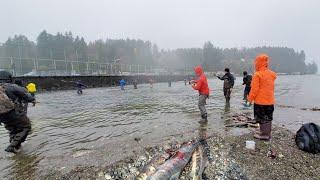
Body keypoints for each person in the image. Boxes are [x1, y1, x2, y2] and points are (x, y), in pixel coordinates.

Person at [0, 71, 36, 153]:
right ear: (9, 78)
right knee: (26, 126)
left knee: (12, 129)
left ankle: (17, 148)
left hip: (1, 116)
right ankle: (12, 146)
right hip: (12, 112)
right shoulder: (11, 86)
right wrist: (32, 98)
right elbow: (26, 96)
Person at [248, 54, 277, 140]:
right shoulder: (271, 74)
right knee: (268, 117)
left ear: (258, 63)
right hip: (270, 101)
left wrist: (249, 100)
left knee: (261, 118)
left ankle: (264, 135)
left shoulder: (257, 75)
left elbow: (254, 89)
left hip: (260, 101)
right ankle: (266, 133)